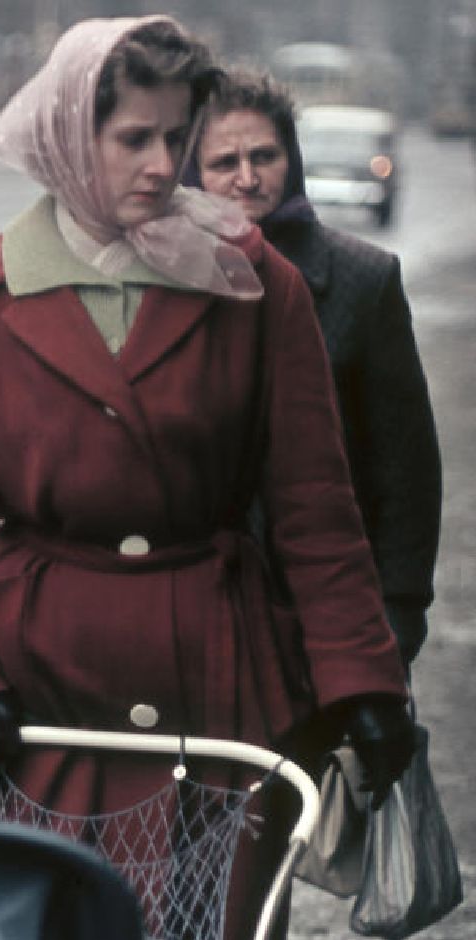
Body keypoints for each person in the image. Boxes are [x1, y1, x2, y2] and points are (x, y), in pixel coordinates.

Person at [0, 16, 416, 940]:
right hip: (41, 693)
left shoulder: (254, 285)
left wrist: (361, 681)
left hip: (217, 682)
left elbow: (313, 507)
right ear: (67, 138)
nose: (165, 165)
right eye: (134, 139)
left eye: (178, 136)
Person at [194, 70, 442, 669]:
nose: (247, 178)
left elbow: (405, 472)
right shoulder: (164, 282)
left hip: (321, 612)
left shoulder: (363, 280)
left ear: (292, 159)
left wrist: (398, 614)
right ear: (191, 172)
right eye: (225, 161)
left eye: (265, 156)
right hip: (195, 608)